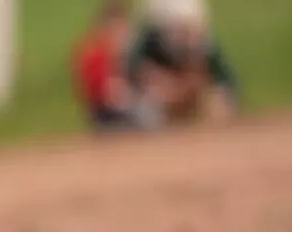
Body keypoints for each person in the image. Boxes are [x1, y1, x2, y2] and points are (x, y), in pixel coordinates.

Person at [124, 0, 239, 129]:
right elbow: (133, 76)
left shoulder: (205, 47)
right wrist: (163, 85)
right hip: (160, 106)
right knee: (146, 114)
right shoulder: (148, 44)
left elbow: (227, 83)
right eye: (181, 31)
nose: (185, 37)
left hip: (194, 105)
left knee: (218, 105)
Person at [72, 0, 136, 133]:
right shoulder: (96, 52)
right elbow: (106, 92)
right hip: (104, 111)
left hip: (117, 105)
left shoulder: (118, 52)